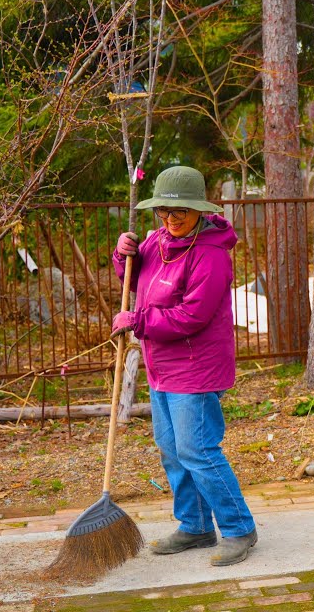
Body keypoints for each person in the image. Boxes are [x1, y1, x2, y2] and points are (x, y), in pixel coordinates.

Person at [111, 165, 257, 567]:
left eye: (181, 213)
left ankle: (239, 528)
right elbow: (134, 278)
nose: (171, 220)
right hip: (163, 366)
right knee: (172, 452)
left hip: (196, 367)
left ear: (199, 212)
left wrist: (137, 323)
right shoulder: (158, 240)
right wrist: (123, 255)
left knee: (198, 450)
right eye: (164, 212)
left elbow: (191, 316)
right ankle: (194, 526)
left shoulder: (211, 256)